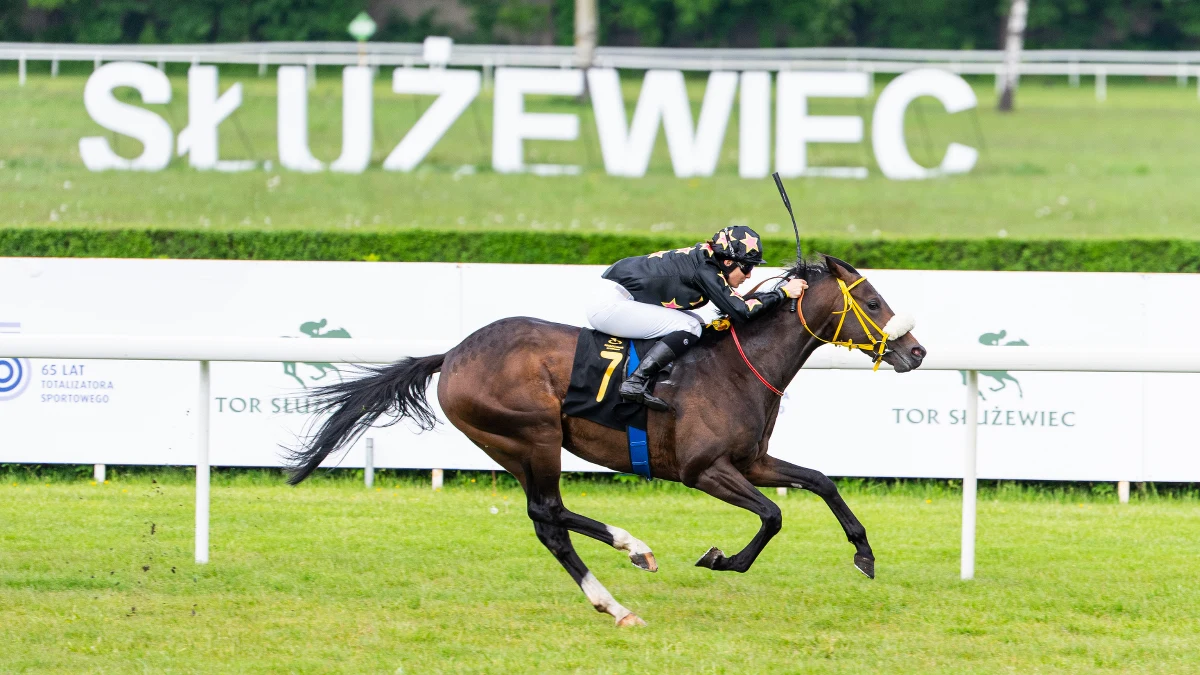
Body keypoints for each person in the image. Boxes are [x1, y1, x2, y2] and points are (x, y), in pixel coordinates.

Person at [586, 225, 809, 411]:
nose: (750, 275)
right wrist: (783, 292)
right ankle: (635, 382)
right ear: (728, 262)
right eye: (747, 267)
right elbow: (742, 310)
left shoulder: (708, 259)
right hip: (609, 305)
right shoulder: (706, 270)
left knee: (697, 323)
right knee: (690, 325)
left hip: (617, 295)